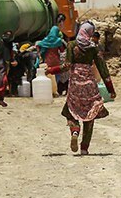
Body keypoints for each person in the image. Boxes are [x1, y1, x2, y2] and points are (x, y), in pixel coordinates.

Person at [49, 21, 115, 155]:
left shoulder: (72, 45)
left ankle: (74, 131)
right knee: (90, 113)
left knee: (71, 110)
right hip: (89, 83)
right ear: (90, 33)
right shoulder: (93, 47)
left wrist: (52, 70)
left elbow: (67, 65)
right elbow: (103, 69)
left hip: (75, 84)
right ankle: (84, 148)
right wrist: (110, 89)